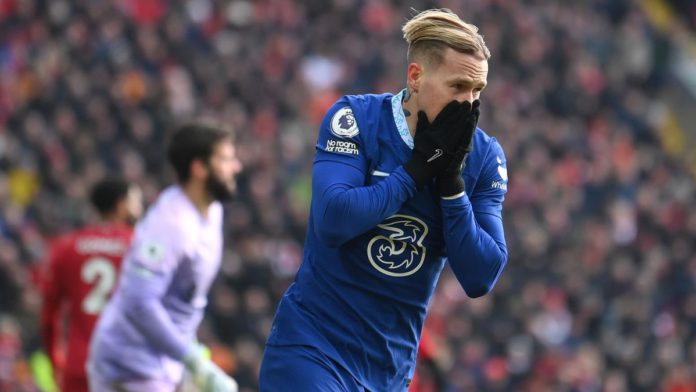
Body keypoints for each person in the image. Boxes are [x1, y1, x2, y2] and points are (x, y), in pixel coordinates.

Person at [260, 8, 509, 391]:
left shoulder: (484, 157)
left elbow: (481, 275)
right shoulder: (356, 119)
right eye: (458, 87)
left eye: (478, 91)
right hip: (313, 349)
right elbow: (333, 218)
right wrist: (414, 173)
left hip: (389, 373)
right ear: (416, 76)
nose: (469, 104)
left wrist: (451, 183)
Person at [87, 123, 242, 392]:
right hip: (130, 366)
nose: (236, 167)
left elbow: (181, 299)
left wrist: (190, 353)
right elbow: (139, 301)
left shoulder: (211, 211)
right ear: (199, 169)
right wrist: (193, 360)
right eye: (226, 159)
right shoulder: (170, 225)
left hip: (161, 363)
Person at [40, 177, 143, 392]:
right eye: (136, 201)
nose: (140, 208)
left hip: (80, 365)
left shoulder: (67, 247)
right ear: (121, 205)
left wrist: (54, 360)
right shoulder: (140, 246)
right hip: (128, 366)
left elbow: (49, 314)